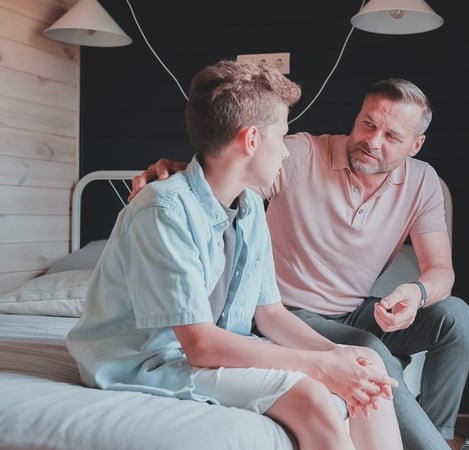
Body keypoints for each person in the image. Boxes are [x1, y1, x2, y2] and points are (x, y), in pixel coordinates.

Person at [67, 59, 402, 450]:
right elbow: (200, 345)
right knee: (311, 397)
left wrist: (338, 356)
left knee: (367, 362)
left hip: (211, 350)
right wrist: (320, 366)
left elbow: (271, 314)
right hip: (148, 360)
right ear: (252, 140)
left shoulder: (250, 206)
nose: (286, 152)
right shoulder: (163, 209)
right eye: (282, 136)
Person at [131, 78, 469, 450]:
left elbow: (441, 271)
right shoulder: (298, 154)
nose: (373, 141)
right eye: (367, 124)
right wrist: (185, 173)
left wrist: (417, 292)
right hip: (289, 311)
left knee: (456, 319)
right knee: (371, 352)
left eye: (392, 136)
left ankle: (438, 434)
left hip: (355, 310)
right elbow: (230, 181)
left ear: (415, 145)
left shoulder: (423, 182)